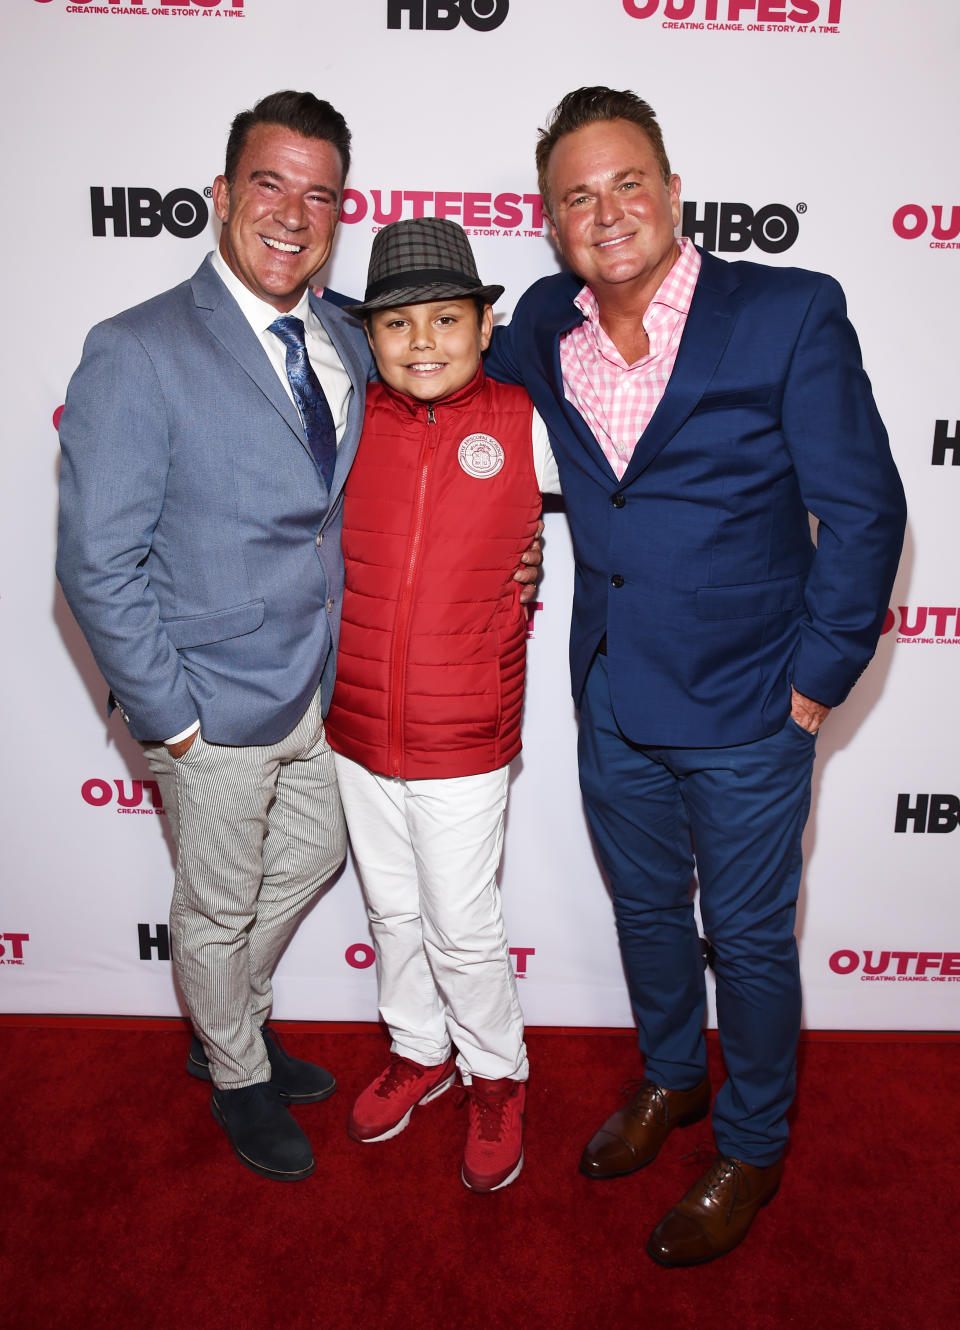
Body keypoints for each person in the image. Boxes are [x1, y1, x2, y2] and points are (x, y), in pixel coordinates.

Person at [55, 91, 541, 1185]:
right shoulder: (137, 348)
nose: (293, 211)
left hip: (327, 693)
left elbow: (429, 464)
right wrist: (171, 720)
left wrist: (520, 547)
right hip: (208, 704)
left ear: (339, 211)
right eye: (269, 183)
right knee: (218, 903)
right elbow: (94, 560)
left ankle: (226, 1010)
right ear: (222, 194)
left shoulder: (343, 334)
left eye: (319, 192)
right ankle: (235, 1070)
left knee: (319, 863)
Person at [484, 87, 906, 1262]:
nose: (606, 211)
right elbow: (435, 345)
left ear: (674, 193)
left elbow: (866, 512)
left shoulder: (789, 311)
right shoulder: (539, 324)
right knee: (645, 913)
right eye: (577, 194)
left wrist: (817, 678)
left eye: (628, 184)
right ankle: (675, 1079)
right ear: (553, 218)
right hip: (612, 688)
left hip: (752, 703)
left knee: (754, 941)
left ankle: (755, 1143)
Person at [324, 218, 561, 1193]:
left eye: (446, 320)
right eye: (398, 325)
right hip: (356, 727)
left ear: (484, 323)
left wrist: (530, 581)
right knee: (392, 909)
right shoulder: (346, 421)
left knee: (463, 925)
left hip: (467, 730)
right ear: (369, 337)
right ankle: (419, 1048)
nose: (422, 343)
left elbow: (642, 514)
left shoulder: (523, 420)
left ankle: (496, 1074)